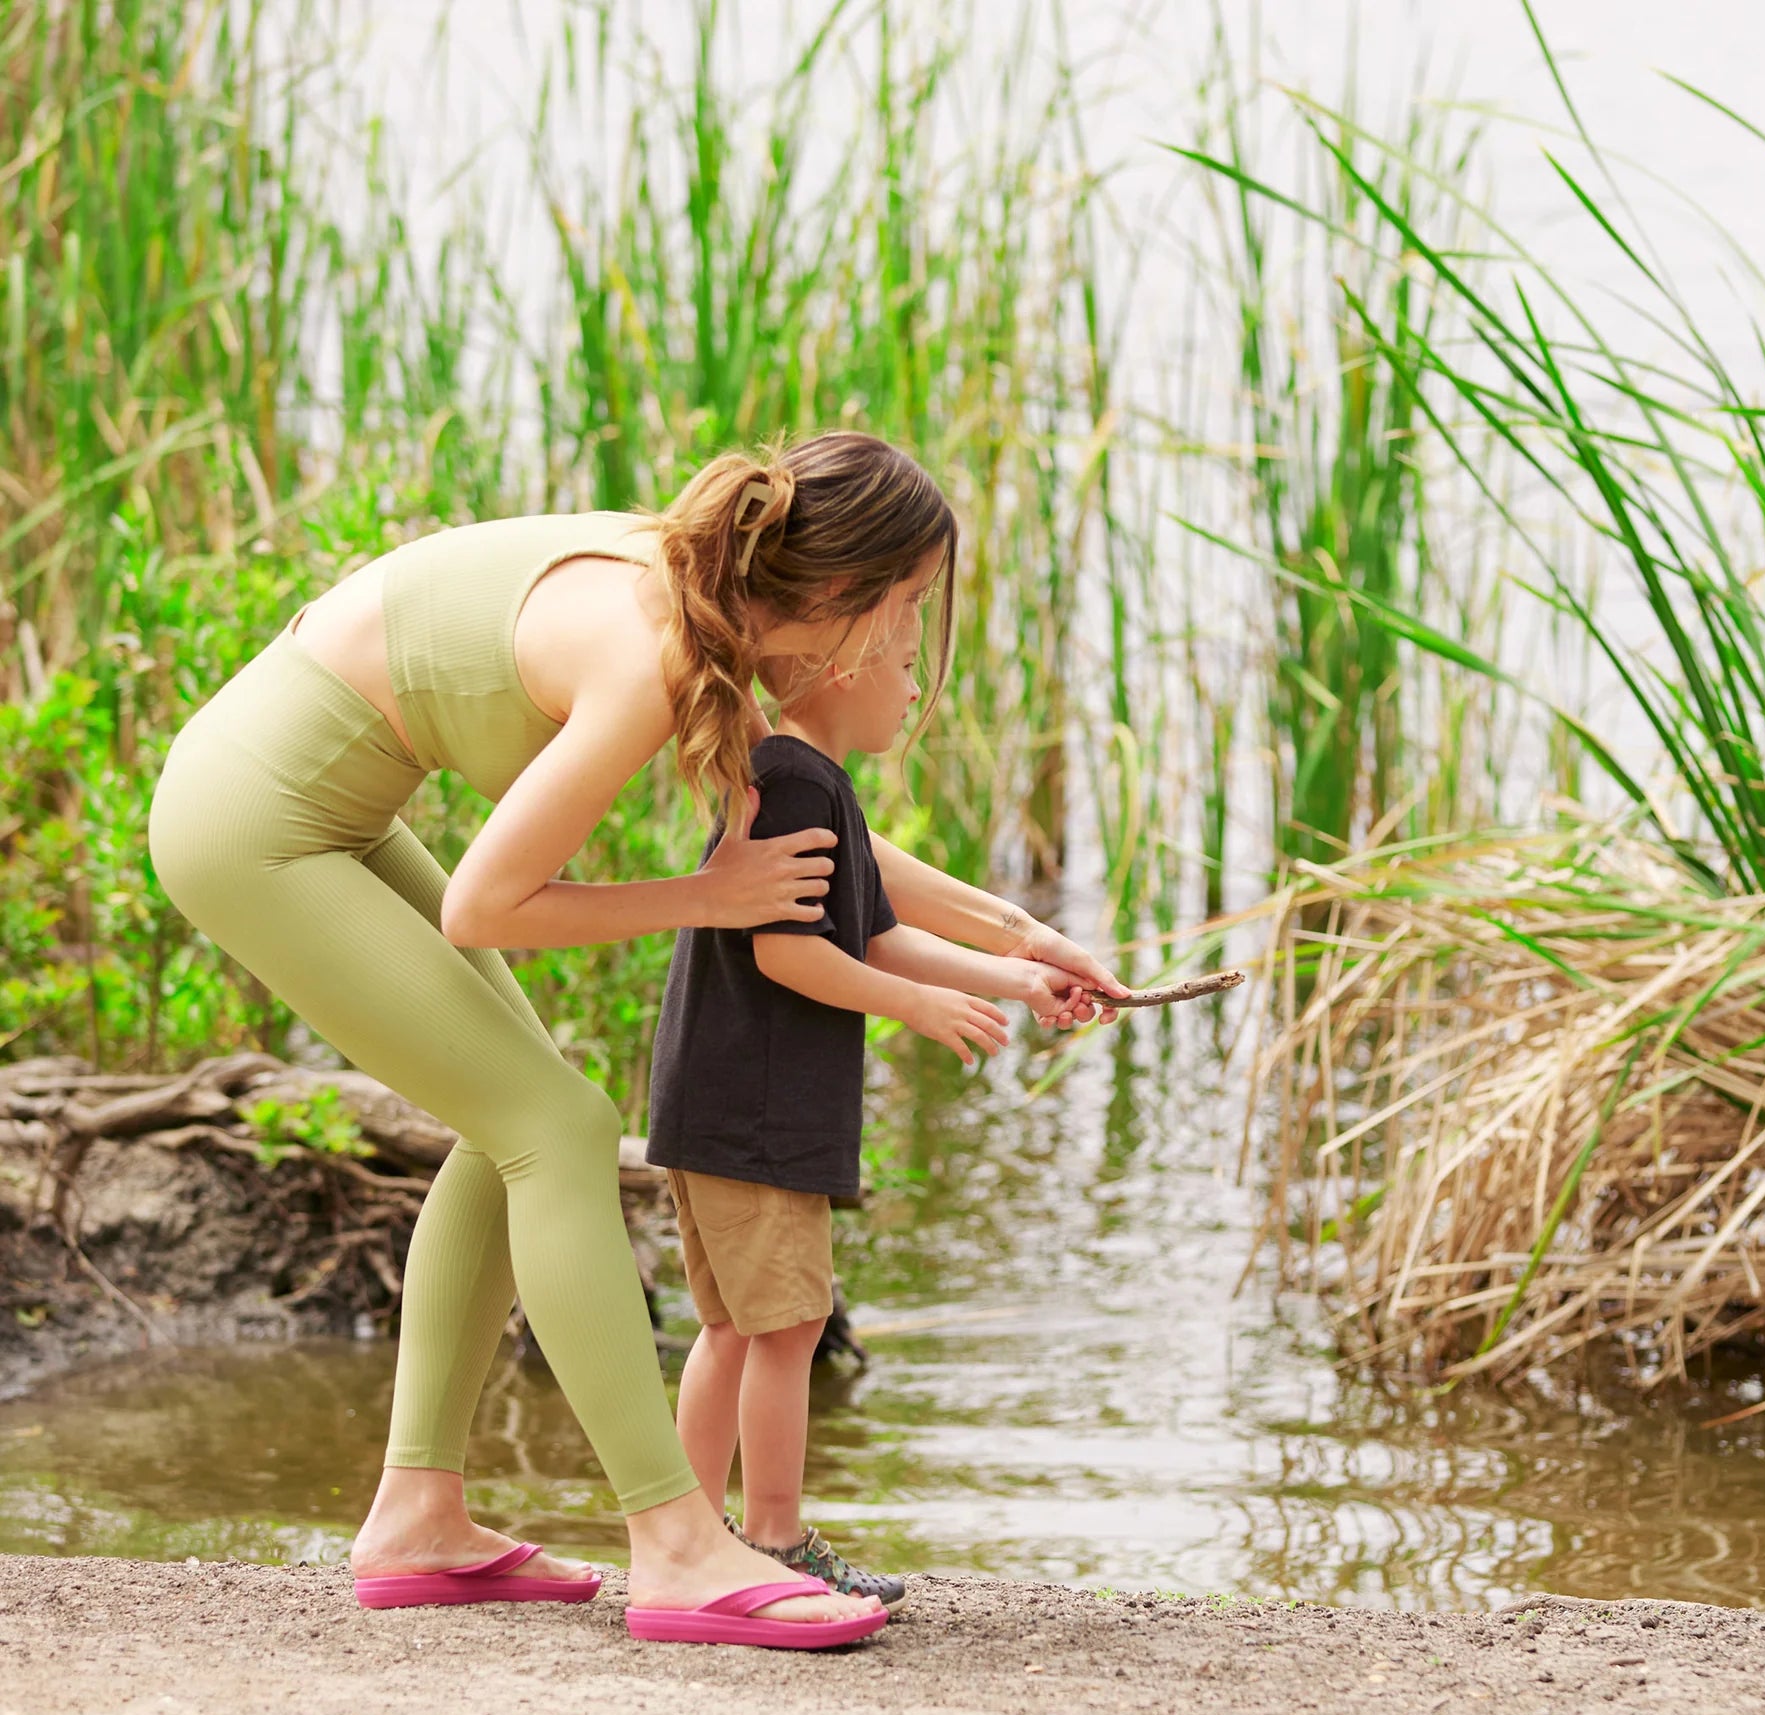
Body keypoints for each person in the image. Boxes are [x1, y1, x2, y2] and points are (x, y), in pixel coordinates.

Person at [148, 431, 1125, 1648]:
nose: (909, 642)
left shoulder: (701, 597)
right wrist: (703, 898)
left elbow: (828, 854)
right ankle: (674, 1542)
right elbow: (484, 907)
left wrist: (1022, 933)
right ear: (835, 596)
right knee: (556, 1124)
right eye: (909, 605)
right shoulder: (657, 650)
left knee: (510, 1116)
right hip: (254, 820)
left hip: (321, 804)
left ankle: (418, 1515)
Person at [652, 599, 1045, 1607]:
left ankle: (688, 1539)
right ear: (844, 666)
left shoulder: (804, 780)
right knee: (787, 1324)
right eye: (908, 663)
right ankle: (772, 1540)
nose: (918, 688)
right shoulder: (796, 781)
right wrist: (916, 1006)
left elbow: (865, 932)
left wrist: (1020, 977)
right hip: (759, 1112)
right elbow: (788, 951)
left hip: (721, 1103)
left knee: (739, 1327)